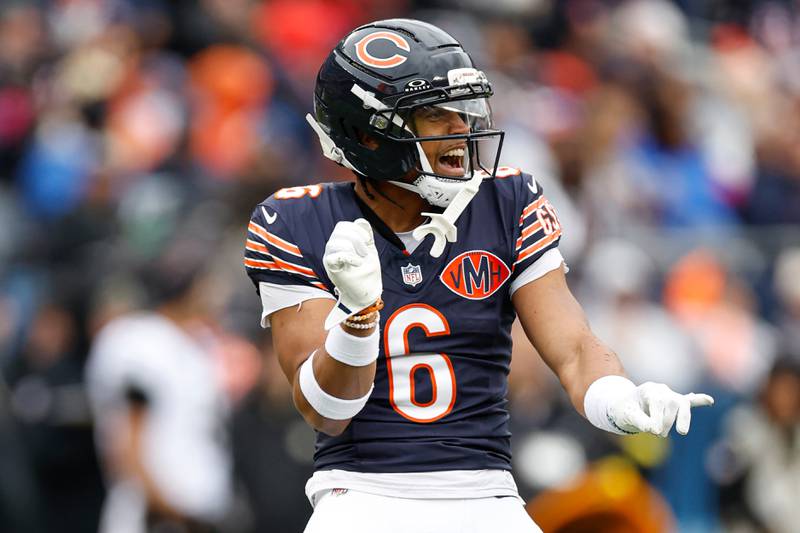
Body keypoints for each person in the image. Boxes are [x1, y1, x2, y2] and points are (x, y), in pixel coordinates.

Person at [243, 18, 714, 533]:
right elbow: (326, 411)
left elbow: (574, 348)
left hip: (486, 491)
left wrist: (619, 397)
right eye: (435, 115)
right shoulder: (294, 220)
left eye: (463, 111)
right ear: (367, 134)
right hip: (361, 493)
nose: (461, 128)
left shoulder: (506, 200)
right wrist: (358, 320)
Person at [87, 240, 233, 533]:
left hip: (197, 514)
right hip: (153, 517)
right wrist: (164, 507)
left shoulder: (196, 345)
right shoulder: (138, 339)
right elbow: (126, 437)